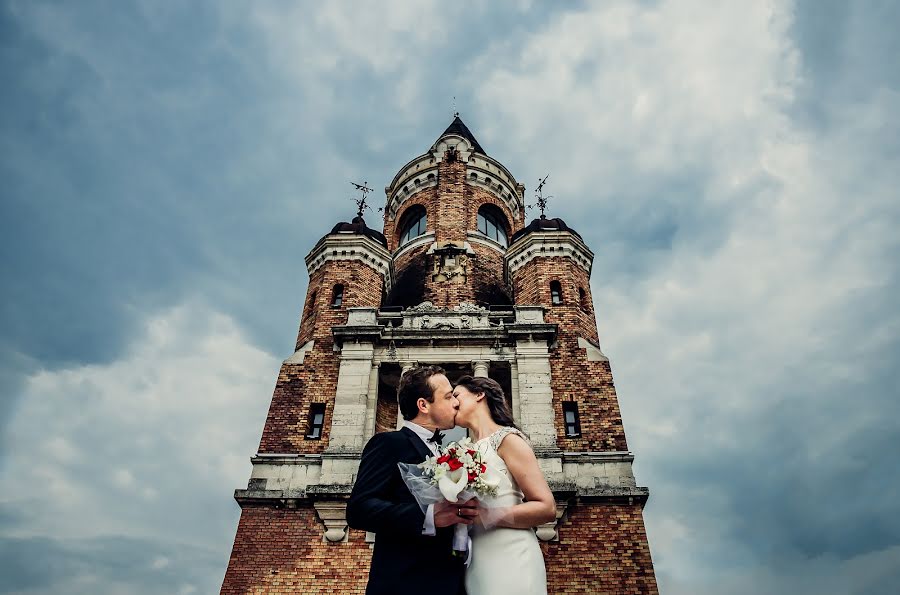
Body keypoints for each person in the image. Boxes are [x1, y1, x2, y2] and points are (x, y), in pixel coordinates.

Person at [347, 365, 479, 595]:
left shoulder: (446, 452)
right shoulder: (389, 443)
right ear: (424, 405)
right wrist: (428, 515)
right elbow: (359, 509)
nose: (456, 402)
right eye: (448, 397)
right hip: (405, 583)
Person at [452, 375, 556, 595]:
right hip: (478, 558)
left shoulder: (508, 439)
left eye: (457, 395)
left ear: (479, 395)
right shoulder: (464, 451)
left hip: (511, 554)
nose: (452, 402)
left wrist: (486, 516)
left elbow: (546, 507)